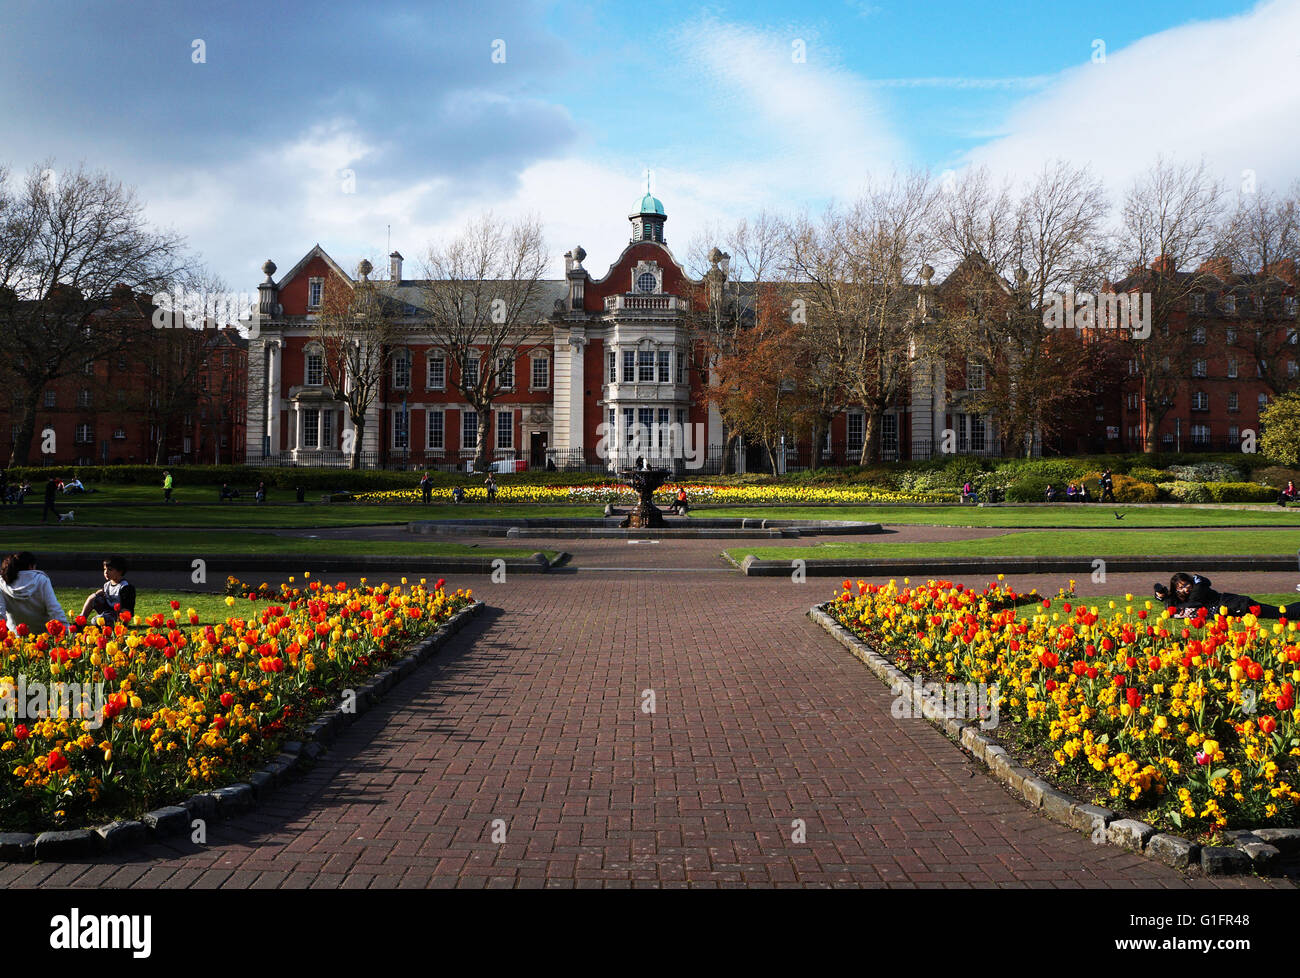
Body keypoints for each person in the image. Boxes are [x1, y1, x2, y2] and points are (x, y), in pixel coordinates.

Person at [1154, 572, 1281, 620]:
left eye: (1187, 585)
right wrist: (1162, 596)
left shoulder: (1199, 588)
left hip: (1237, 604)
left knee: (1277, 613)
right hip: (1233, 606)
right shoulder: (1180, 594)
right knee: (1277, 612)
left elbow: (1194, 603)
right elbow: (1171, 605)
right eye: (1180, 588)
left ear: (1191, 582)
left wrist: (1171, 603)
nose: (1185, 589)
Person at [0, 552, 68, 631]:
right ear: (31, 566)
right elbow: (54, 610)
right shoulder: (41, 579)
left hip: (16, 637)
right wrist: (66, 632)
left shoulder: (2, 582)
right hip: (44, 636)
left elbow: (0, 615)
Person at [79, 555, 136, 626]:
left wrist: (123, 623)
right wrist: (98, 594)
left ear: (120, 571)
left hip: (117, 616)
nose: (106, 572)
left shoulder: (126, 587)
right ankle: (81, 620)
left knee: (95, 621)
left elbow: (127, 610)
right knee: (93, 597)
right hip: (106, 611)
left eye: (110, 570)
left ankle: (103, 622)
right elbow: (100, 598)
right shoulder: (107, 585)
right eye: (105, 569)